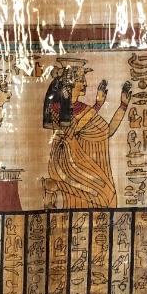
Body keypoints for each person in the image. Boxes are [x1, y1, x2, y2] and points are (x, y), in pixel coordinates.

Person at [42, 65, 131, 207]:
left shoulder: (84, 108)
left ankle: (55, 187)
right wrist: (98, 105)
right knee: (105, 196)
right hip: (68, 163)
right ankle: (56, 186)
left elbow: (107, 131)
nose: (85, 84)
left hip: (84, 161)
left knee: (108, 197)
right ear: (70, 84)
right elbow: (74, 129)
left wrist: (123, 106)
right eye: (81, 80)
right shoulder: (57, 108)